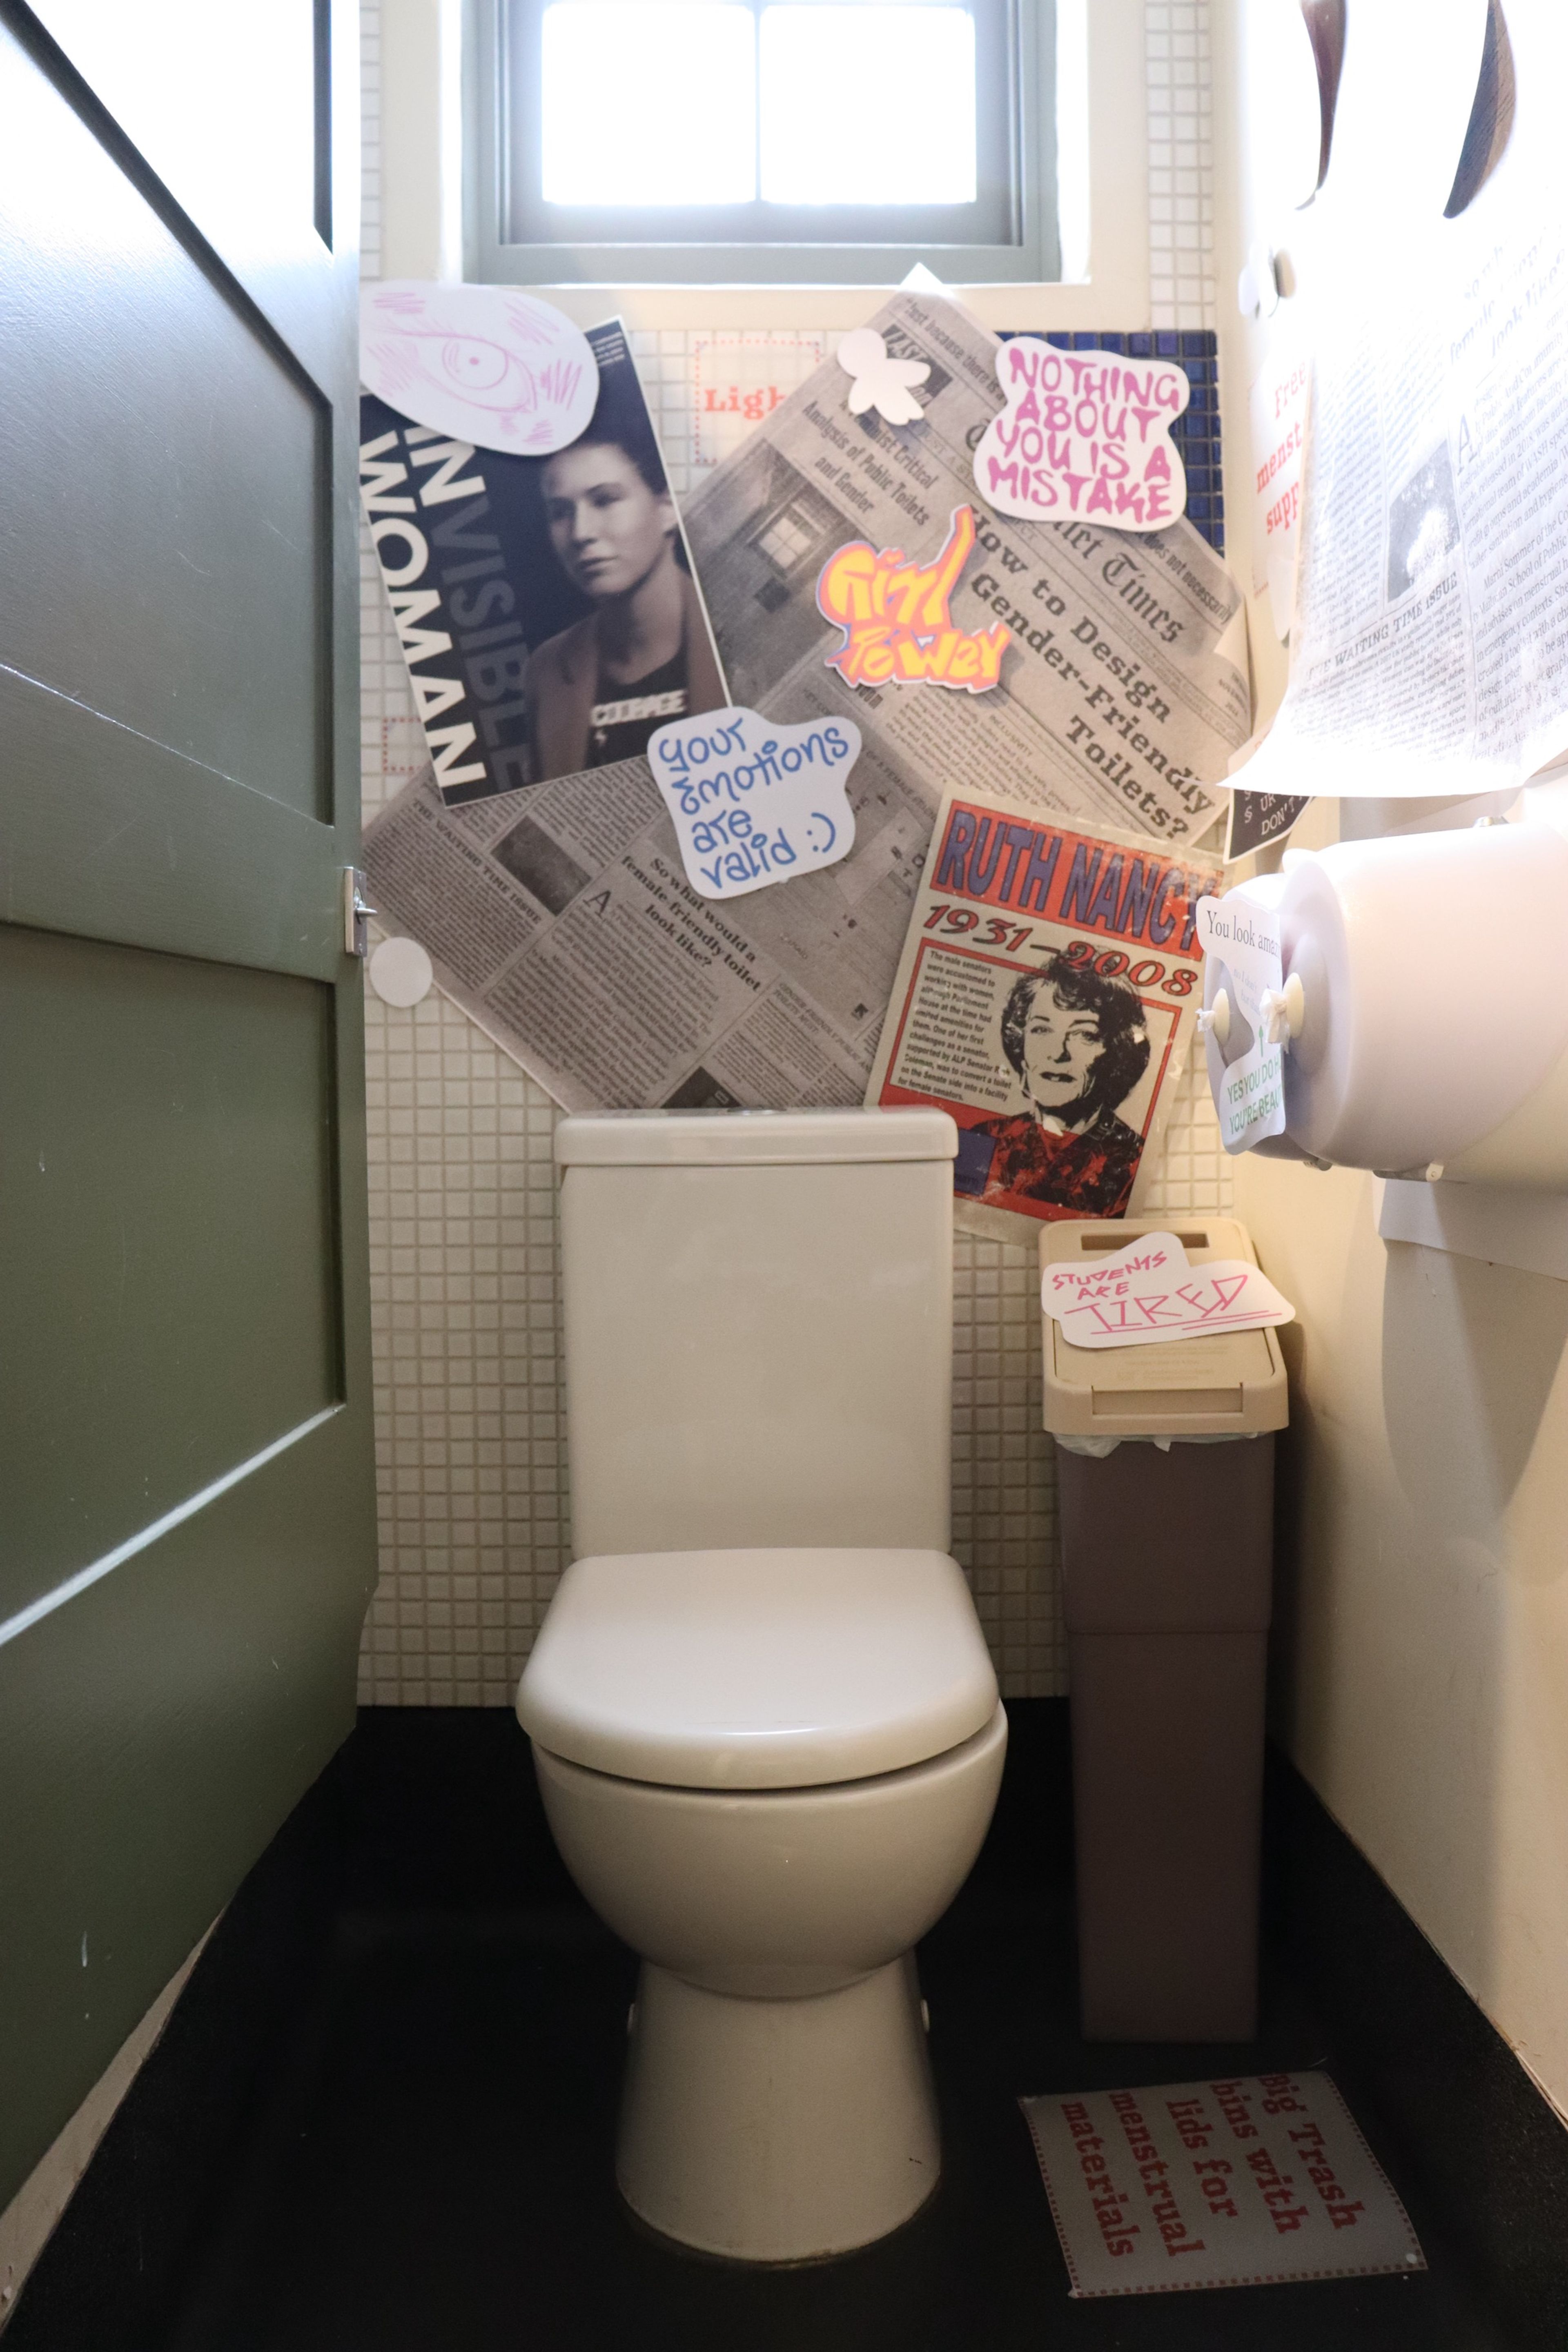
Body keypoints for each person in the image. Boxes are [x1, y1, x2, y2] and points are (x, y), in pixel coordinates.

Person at [524, 401, 724, 780]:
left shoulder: (733, 631)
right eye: (561, 512)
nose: (581, 532)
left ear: (666, 510)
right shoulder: (546, 671)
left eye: (605, 500)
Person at [969, 956, 1152, 1216]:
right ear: (1021, 1046)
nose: (1057, 1054)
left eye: (1084, 1035)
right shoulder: (987, 1138)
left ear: (1116, 1054)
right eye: (1041, 1030)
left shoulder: (1135, 1163)